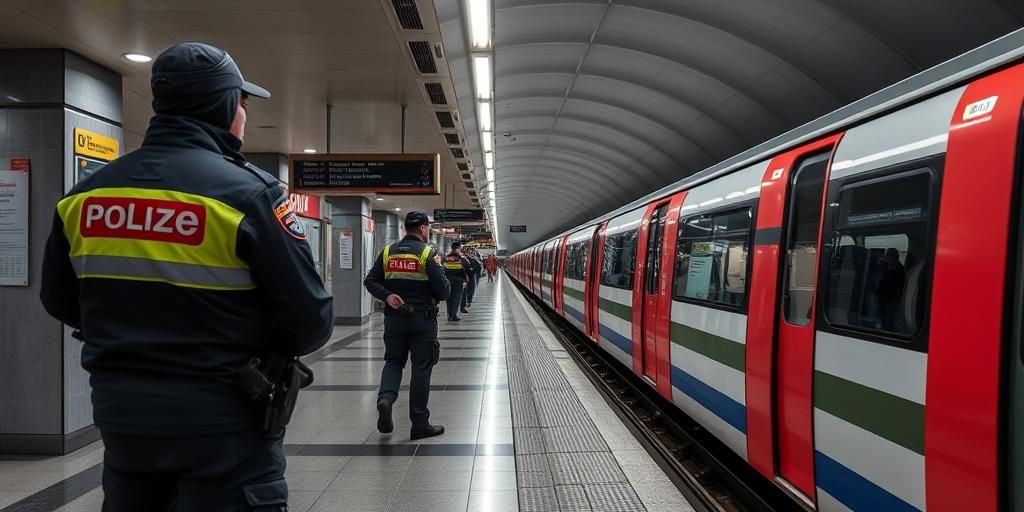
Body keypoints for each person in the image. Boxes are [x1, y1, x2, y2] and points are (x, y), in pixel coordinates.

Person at [38, 42, 334, 511]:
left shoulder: (86, 196)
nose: (244, 113)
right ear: (222, 105)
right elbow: (310, 319)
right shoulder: (250, 196)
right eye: (242, 101)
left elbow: (59, 298)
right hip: (223, 420)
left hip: (122, 418)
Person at [363, 211, 449, 440]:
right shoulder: (428, 254)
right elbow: (444, 291)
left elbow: (370, 281)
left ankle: (386, 399)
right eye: (427, 228)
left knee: (393, 362)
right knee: (421, 369)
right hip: (422, 320)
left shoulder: (388, 252)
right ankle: (419, 424)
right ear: (422, 228)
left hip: (394, 319)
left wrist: (388, 295)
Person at [443, 241, 471, 321]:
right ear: (458, 249)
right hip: (459, 281)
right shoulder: (461, 258)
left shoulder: (446, 258)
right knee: (456, 298)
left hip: (448, 280)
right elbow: (468, 268)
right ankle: (454, 315)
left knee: (449, 299)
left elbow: (442, 268)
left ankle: (449, 315)